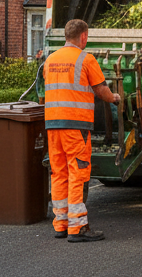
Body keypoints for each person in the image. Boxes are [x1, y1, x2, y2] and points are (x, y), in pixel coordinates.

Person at [44, 18, 120, 242]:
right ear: (83, 36)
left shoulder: (50, 60)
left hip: (53, 125)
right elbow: (101, 90)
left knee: (58, 173)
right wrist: (115, 97)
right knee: (77, 172)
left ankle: (61, 223)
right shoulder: (85, 59)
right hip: (76, 126)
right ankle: (77, 228)